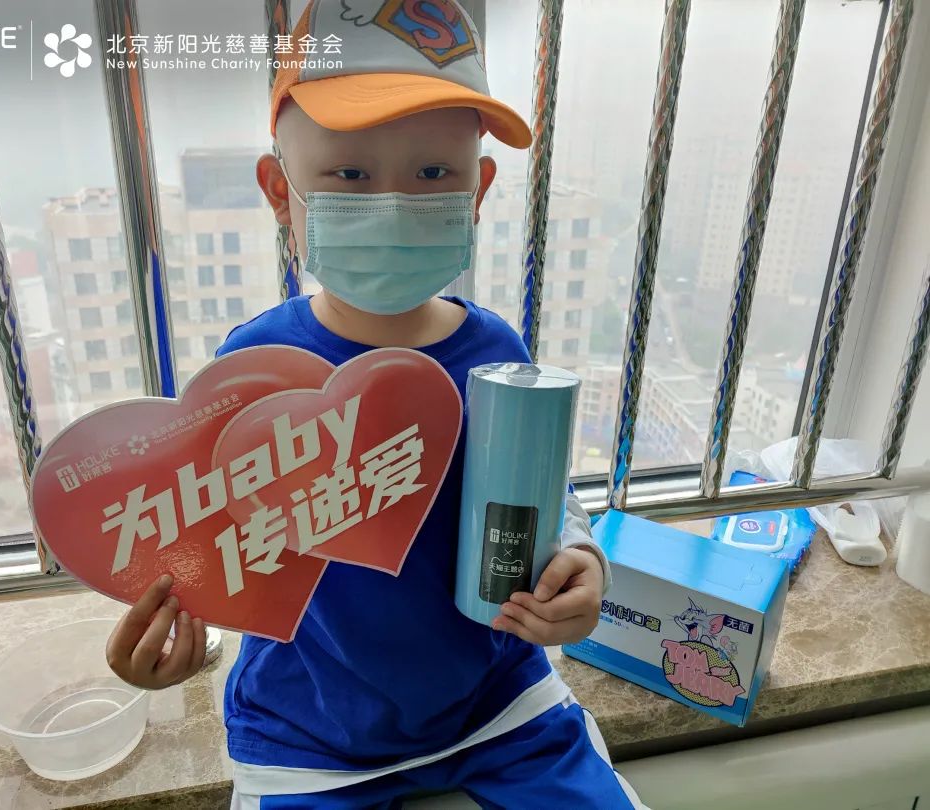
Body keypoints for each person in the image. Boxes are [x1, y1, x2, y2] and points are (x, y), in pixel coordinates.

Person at [106, 1, 646, 807]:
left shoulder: (498, 352)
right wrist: (180, 633)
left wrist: (580, 562)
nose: (393, 203)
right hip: (309, 733)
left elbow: (536, 498)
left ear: (478, 190)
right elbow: (211, 534)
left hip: (498, 707)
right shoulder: (253, 368)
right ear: (280, 192)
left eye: (432, 175)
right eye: (350, 176)